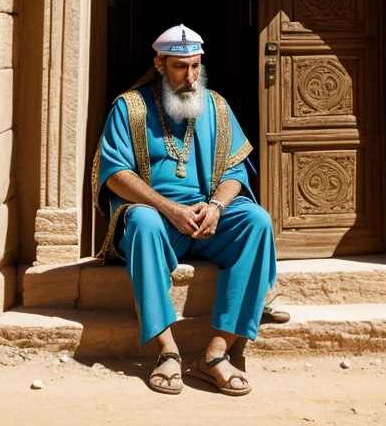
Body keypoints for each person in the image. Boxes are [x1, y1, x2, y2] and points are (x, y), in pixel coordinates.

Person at [93, 24, 278, 396]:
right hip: (157, 220)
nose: (191, 77)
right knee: (143, 221)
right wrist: (169, 209)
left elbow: (235, 172)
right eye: (180, 67)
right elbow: (114, 174)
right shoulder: (129, 107)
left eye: (196, 66)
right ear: (159, 63)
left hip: (207, 220)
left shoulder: (217, 107)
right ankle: (167, 352)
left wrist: (216, 206)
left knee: (257, 221)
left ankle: (215, 354)